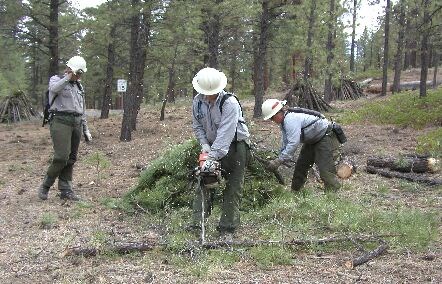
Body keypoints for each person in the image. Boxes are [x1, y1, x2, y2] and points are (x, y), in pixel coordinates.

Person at [191, 67, 250, 237]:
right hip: (212, 146)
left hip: (235, 147)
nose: (209, 96)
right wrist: (204, 145)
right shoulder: (197, 102)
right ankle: (197, 224)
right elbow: (197, 125)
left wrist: (212, 157)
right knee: (204, 181)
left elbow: (226, 133)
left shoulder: (229, 103)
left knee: (233, 187)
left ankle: (227, 228)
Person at [37, 56, 92, 201]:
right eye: (77, 73)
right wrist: (68, 77)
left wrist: (86, 129)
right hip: (60, 121)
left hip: (77, 122)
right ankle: (46, 185)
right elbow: (54, 89)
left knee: (71, 158)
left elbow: (82, 109)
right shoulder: (56, 80)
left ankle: (65, 189)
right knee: (61, 156)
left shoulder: (79, 86)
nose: (79, 76)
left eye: (81, 74)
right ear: (71, 69)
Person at [261, 99, 341, 192]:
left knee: (325, 169)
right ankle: (295, 192)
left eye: (272, 117)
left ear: (279, 112)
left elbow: (293, 143)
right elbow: (286, 141)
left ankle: (332, 195)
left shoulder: (290, 119)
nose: (272, 121)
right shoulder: (284, 122)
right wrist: (279, 156)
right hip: (312, 140)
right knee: (301, 166)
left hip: (324, 137)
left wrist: (280, 160)